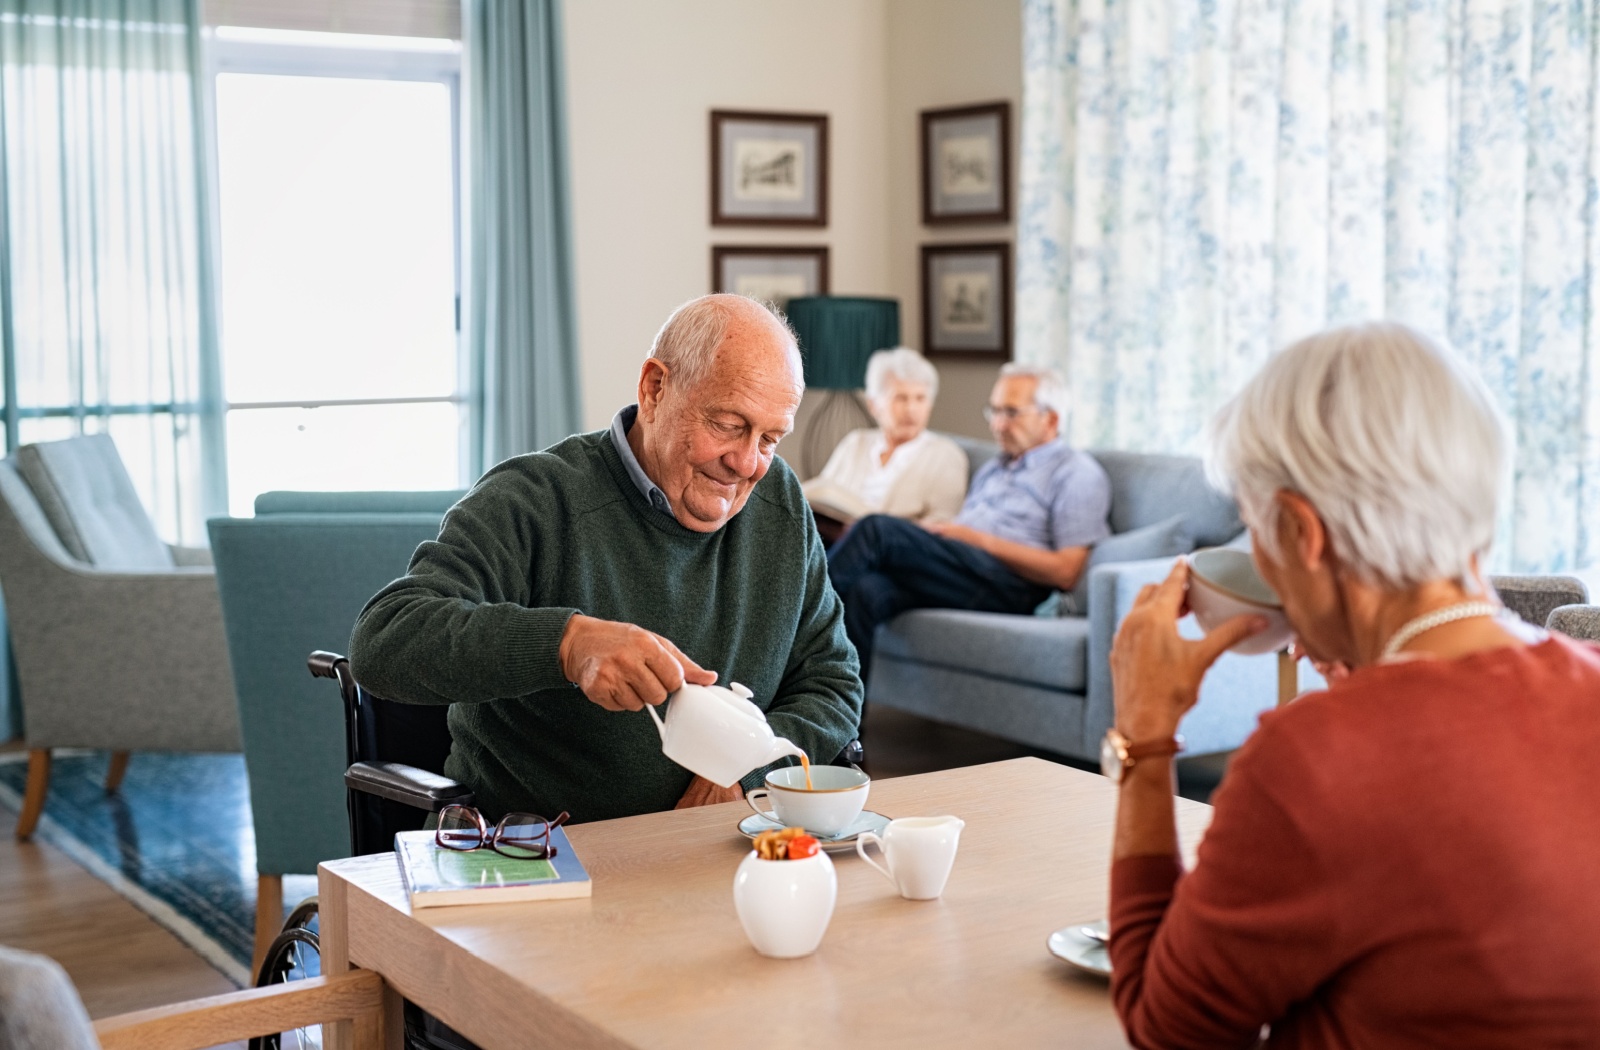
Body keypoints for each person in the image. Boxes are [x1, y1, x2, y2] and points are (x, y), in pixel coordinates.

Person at [1105, 323, 1600, 1047]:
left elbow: (1169, 1030)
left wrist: (1145, 736)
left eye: (1254, 531)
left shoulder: (1314, 759)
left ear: (1303, 534)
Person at [349, 294, 863, 825]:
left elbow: (833, 683)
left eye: (770, 439)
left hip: (716, 850)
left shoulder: (779, 503)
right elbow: (384, 640)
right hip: (535, 856)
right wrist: (568, 645)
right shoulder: (534, 500)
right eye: (729, 425)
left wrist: (745, 773)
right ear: (655, 388)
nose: (747, 463)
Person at [827, 363, 1111, 671]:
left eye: (1012, 413)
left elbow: (1066, 571)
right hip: (964, 570)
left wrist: (976, 540)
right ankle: (843, 719)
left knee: (876, 530)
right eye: (995, 411)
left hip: (1012, 586)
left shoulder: (1075, 473)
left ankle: (789, 621)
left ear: (1051, 418)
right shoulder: (995, 467)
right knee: (866, 591)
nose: (998, 425)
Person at [801, 347, 968, 544]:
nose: (911, 409)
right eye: (900, 398)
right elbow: (822, 495)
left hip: (891, 551)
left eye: (920, 398)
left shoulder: (946, 455)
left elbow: (941, 529)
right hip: (828, 538)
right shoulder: (855, 442)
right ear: (873, 405)